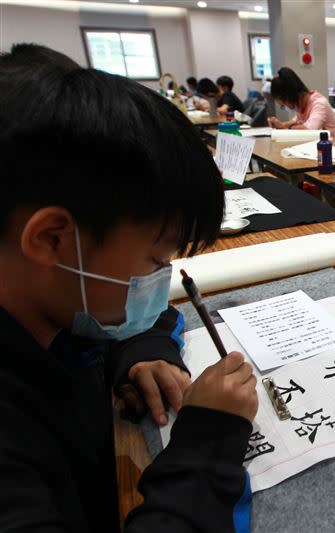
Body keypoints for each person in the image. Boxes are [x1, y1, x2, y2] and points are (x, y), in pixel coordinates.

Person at [0, 43, 258, 532]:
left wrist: (141, 350)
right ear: (53, 238)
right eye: (155, 261)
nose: (158, 282)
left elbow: (123, 304)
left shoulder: (48, 301)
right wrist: (206, 445)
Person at [268, 67, 335, 141]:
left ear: (290, 96)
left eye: (283, 105)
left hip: (334, 147)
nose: (285, 107)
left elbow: (309, 130)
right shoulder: (300, 105)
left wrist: (287, 128)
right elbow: (295, 121)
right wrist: (281, 125)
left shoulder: (319, 103)